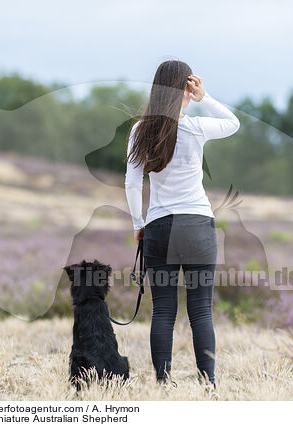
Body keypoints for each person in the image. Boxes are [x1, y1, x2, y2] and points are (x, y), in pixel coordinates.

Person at [124, 60, 240, 387]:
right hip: (199, 225)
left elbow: (132, 184)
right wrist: (205, 97)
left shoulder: (139, 131)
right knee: (201, 310)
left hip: (159, 227)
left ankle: (163, 385)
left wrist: (139, 223)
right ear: (186, 87)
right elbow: (233, 123)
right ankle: (209, 384)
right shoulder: (197, 126)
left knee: (162, 311)